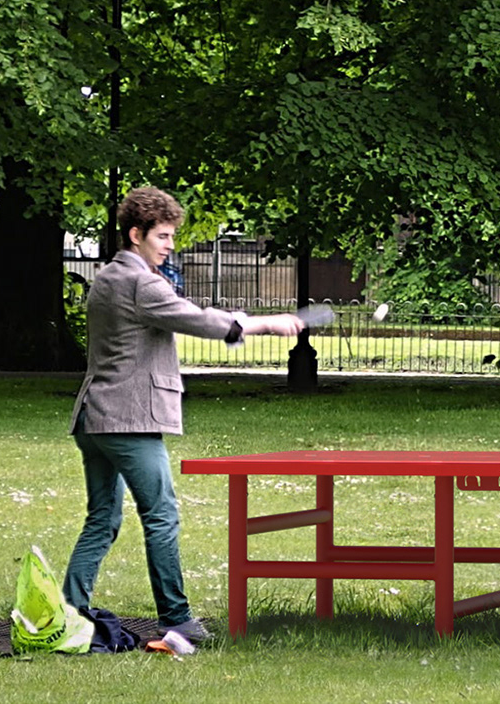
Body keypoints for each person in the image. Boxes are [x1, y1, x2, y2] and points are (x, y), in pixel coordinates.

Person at [62, 187, 314, 643]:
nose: (170, 244)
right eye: (162, 235)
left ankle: (68, 610)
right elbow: (194, 318)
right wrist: (266, 323)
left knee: (102, 518)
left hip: (93, 418)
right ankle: (176, 618)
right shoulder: (140, 282)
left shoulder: (108, 277)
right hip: (128, 420)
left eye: (171, 235)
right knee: (161, 515)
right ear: (136, 234)